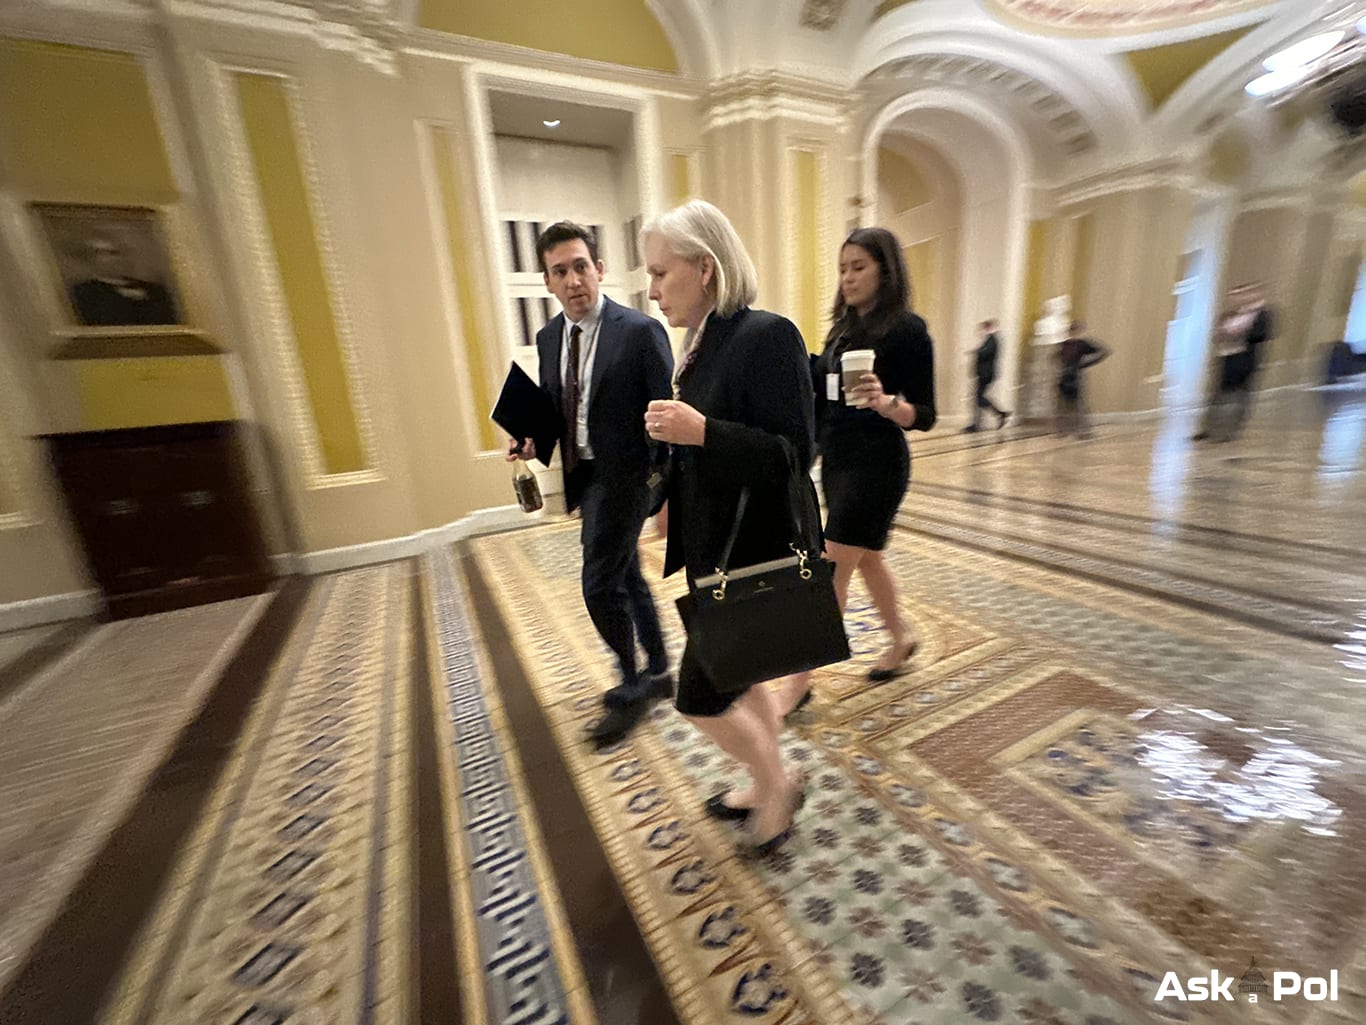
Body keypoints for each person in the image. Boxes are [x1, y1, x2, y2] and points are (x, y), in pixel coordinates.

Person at [640, 200, 820, 857]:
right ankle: (768, 776)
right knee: (741, 678)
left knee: (697, 696)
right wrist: (667, 493)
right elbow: (701, 449)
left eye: (662, 273)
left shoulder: (766, 335)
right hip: (717, 545)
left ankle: (776, 786)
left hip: (756, 548)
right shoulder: (702, 346)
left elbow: (795, 454)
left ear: (706, 268)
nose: (653, 290)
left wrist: (702, 431)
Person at [505, 222, 674, 748]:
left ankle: (631, 686)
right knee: (625, 574)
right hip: (586, 474)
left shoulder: (640, 331)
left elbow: (667, 412)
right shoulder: (549, 336)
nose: (574, 279)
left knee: (598, 584)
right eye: (561, 271)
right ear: (548, 282)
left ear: (599, 270)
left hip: (628, 477)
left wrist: (663, 486)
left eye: (581, 266)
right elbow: (563, 406)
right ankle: (660, 666)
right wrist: (533, 439)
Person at [776, 226, 935, 717]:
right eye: (843, 268)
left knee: (831, 568)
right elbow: (824, 405)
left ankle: (798, 682)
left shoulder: (907, 330)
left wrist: (888, 404)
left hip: (879, 463)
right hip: (840, 462)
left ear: (885, 271)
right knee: (867, 559)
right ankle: (901, 639)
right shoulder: (840, 331)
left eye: (858, 267)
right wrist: (810, 455)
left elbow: (925, 413)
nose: (847, 277)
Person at [1193, 283, 1276, 442]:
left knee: (1240, 397)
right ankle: (1210, 429)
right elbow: (1218, 333)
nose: (1235, 298)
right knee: (1218, 396)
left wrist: (1242, 332)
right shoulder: (1231, 314)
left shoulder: (1264, 314)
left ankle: (1231, 432)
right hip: (1228, 357)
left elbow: (1263, 335)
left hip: (1246, 360)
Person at [69, 236, 179, 326]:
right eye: (104, 253)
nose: (115, 258)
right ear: (92, 260)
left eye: (116, 253)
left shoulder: (156, 290)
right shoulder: (82, 292)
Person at [1056, 319, 1108, 438]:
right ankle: (1065, 430)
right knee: (1064, 404)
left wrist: (1085, 364)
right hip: (1065, 375)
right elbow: (1060, 358)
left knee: (1079, 404)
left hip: (1075, 375)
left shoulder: (1083, 344)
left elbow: (1103, 351)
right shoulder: (1064, 344)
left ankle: (1084, 431)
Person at [964, 318, 1008, 431]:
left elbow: (986, 352)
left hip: (986, 373)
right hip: (984, 373)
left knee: (979, 398)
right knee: (978, 398)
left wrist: (976, 351)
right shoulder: (989, 340)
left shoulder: (992, 340)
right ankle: (995, 416)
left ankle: (999, 414)